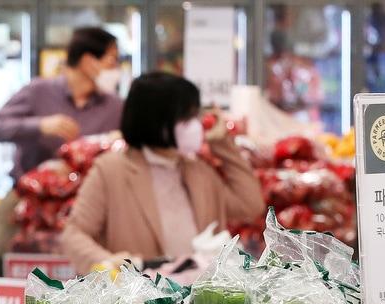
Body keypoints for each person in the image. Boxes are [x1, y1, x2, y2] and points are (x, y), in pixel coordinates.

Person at [57, 72, 264, 274]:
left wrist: (222, 145)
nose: (196, 124)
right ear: (156, 121)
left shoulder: (199, 171)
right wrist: (107, 264)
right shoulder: (110, 171)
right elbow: (74, 234)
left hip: (195, 296)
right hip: (142, 301)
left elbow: (249, 204)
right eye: (186, 118)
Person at [0, 27, 125, 269]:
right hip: (27, 203)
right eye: (112, 59)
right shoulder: (39, 92)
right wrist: (39, 126)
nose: (116, 67)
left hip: (88, 208)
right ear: (89, 61)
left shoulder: (116, 107)